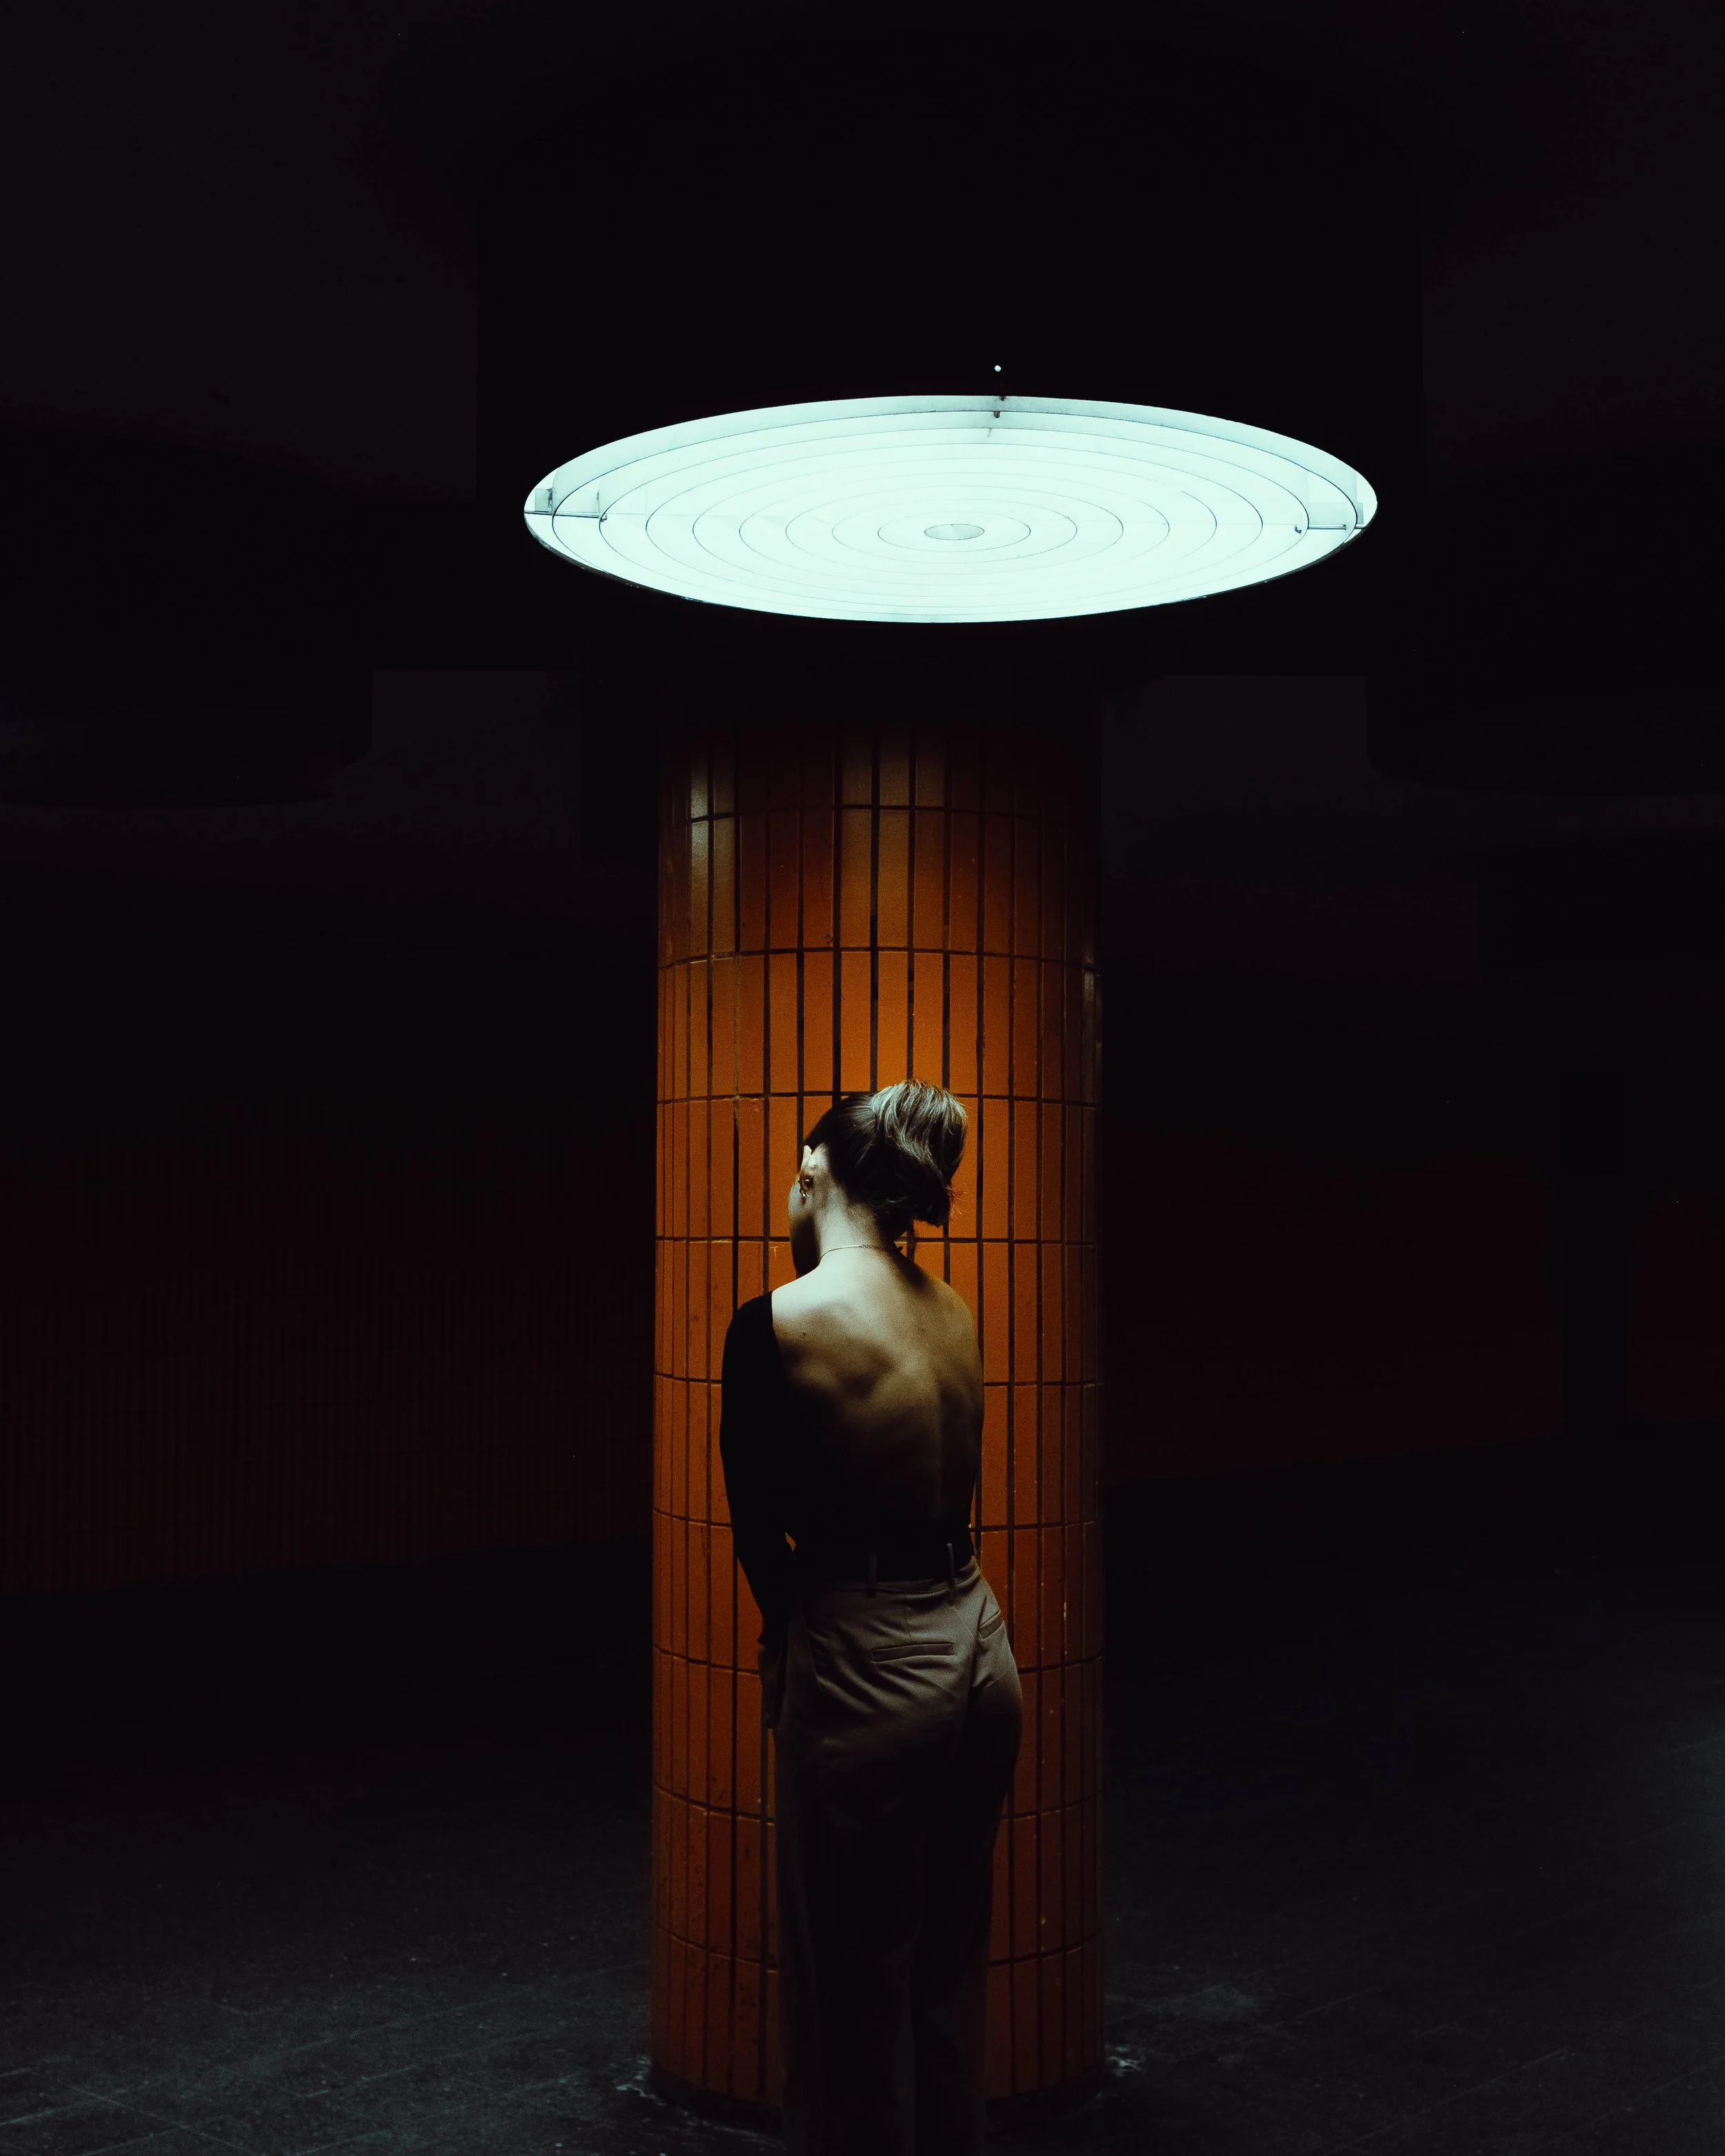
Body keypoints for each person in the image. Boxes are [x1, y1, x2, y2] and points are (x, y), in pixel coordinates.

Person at [719, 1080, 1024, 2156]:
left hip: (865, 1659)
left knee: (852, 1989)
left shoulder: (778, 1324)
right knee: (946, 1969)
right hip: (979, 1645)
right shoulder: (954, 1310)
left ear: (813, 1168)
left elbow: (757, 1530)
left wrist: (790, 1642)